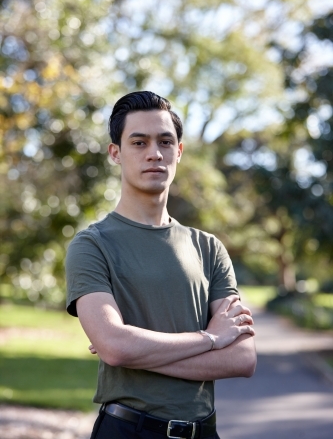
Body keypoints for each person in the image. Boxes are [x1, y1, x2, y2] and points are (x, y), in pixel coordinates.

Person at [66, 91, 256, 439]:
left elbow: (242, 358)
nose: (154, 153)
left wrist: (137, 349)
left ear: (179, 152)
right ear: (116, 153)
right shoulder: (92, 245)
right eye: (138, 142)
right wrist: (212, 337)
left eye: (165, 141)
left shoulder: (208, 248)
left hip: (204, 432)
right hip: (127, 430)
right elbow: (116, 347)